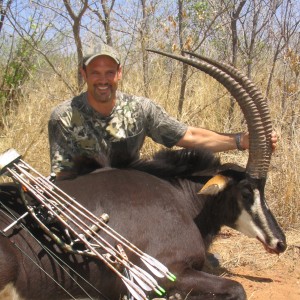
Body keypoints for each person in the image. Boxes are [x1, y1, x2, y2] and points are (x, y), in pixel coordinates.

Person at [48, 44, 277, 180]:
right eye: (95, 73)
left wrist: (241, 140)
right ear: (84, 74)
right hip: (86, 202)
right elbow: (63, 177)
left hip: (131, 192)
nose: (103, 80)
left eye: (109, 72)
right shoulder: (63, 116)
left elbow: (189, 136)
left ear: (119, 73)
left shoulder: (141, 109)